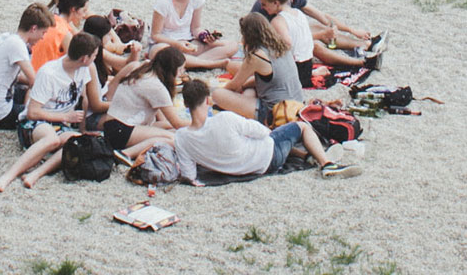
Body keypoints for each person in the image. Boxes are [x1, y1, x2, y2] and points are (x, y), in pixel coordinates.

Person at [172, 79, 358, 182]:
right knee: (299, 127)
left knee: (274, 138)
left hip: (235, 169)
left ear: (186, 105)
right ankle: (326, 164)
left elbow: (189, 174)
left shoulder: (181, 138)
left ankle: (306, 157)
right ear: (207, 101)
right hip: (266, 158)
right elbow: (262, 132)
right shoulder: (225, 119)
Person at [0, 32, 107, 191]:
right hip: (34, 122)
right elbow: (32, 112)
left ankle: (36, 174)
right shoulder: (49, 73)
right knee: (52, 139)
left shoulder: (85, 69)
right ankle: (7, 177)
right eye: (94, 56)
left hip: (60, 123)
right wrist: (66, 116)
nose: (95, 59)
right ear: (84, 58)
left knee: (78, 143)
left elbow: (85, 98)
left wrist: (83, 130)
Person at [266, 0, 384, 77]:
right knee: (314, 45)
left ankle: (367, 44)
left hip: (285, 36)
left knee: (319, 27)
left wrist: (351, 30)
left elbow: (323, 17)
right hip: (271, 40)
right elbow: (289, 39)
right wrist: (321, 35)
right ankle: (363, 63)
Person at [212, 12, 305, 124]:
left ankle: (244, 108)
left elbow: (233, 86)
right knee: (238, 73)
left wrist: (226, 91)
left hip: (276, 112)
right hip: (297, 103)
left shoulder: (256, 56)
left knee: (218, 95)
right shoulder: (281, 45)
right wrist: (244, 85)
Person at [149, 0, 239, 71]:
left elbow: (195, 28)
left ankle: (190, 63)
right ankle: (207, 64)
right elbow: (155, 35)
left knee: (232, 45)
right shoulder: (164, 1)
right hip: (168, 45)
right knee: (158, 52)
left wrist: (204, 36)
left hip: (190, 43)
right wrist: (177, 44)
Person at [0, 3, 54, 129]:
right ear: (33, 29)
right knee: (46, 111)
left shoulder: (7, 37)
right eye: (43, 33)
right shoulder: (18, 45)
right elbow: (34, 82)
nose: (42, 37)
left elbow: (13, 76)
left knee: (26, 92)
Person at [102, 46, 188, 154]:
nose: (182, 73)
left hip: (117, 125)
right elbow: (177, 123)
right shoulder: (156, 86)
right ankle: (126, 153)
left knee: (176, 131)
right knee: (174, 138)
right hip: (121, 130)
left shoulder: (146, 69)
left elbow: (169, 121)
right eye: (181, 70)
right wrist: (203, 123)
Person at [31, 0, 91, 71]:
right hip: (45, 73)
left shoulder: (49, 20)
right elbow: (75, 63)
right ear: (73, 9)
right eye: (84, 11)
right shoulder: (64, 33)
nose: (84, 15)